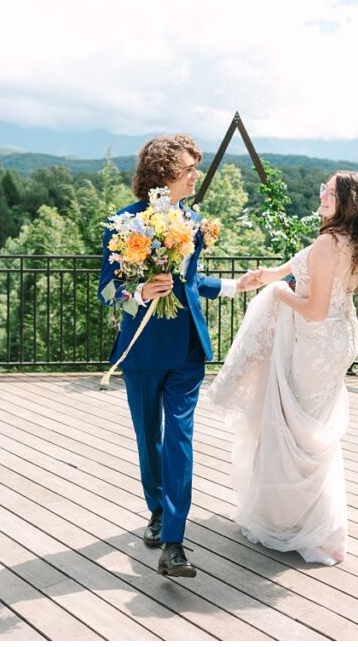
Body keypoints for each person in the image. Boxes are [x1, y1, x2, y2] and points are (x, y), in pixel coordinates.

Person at [207, 170, 358, 565]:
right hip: (338, 340)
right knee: (312, 428)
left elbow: (315, 309)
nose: (322, 193)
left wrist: (277, 293)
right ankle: (314, 521)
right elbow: (304, 266)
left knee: (296, 430)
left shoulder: (327, 242)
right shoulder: (350, 239)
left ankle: (298, 524)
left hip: (315, 343)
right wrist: (271, 275)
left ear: (348, 202)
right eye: (322, 188)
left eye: (330, 191)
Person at [98, 134, 260, 578]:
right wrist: (141, 292)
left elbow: (190, 281)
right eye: (190, 169)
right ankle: (156, 511)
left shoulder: (193, 220)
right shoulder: (123, 223)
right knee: (149, 435)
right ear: (165, 172)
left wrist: (233, 286)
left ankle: (174, 539)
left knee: (180, 439)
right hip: (143, 349)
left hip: (187, 348)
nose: (196, 176)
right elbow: (108, 292)